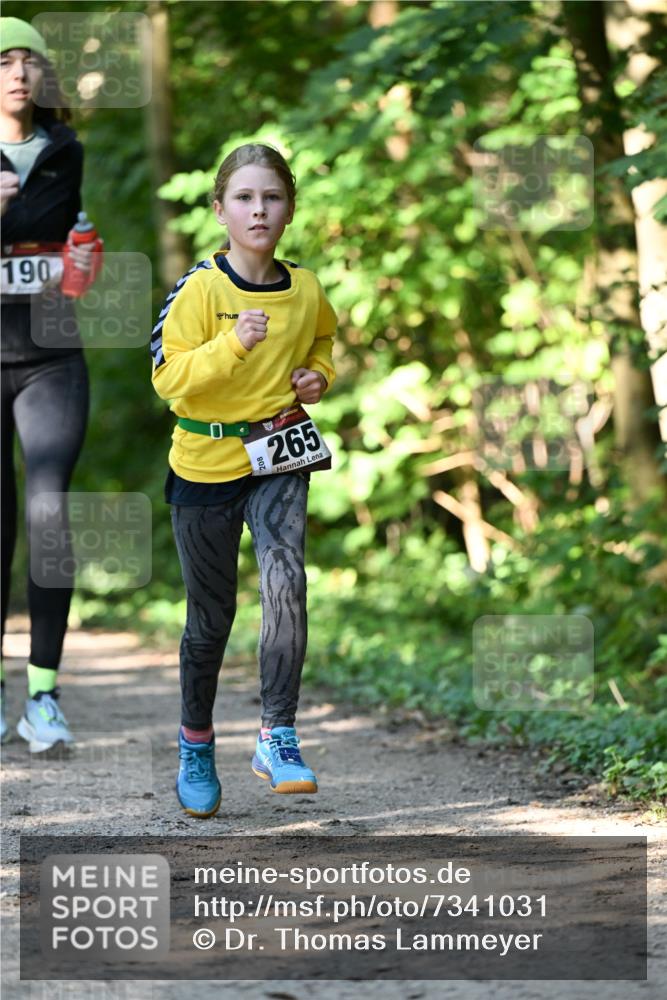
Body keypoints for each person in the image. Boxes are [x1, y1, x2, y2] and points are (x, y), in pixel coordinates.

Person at [151, 142, 336, 818]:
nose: (260, 210)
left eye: (273, 197)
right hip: (202, 462)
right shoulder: (201, 289)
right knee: (212, 618)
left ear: (289, 208)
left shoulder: (306, 287)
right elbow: (168, 381)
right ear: (220, 209)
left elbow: (321, 344)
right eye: (245, 198)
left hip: (277, 452)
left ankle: (276, 734)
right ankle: (196, 745)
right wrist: (232, 345)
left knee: (287, 579)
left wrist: (319, 377)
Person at [0, 18, 96, 751]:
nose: (19, 74)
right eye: (4, 61)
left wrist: (82, 259)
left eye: (30, 61)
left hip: (51, 355)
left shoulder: (67, 151)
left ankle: (44, 695)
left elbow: (71, 242)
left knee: (48, 512)